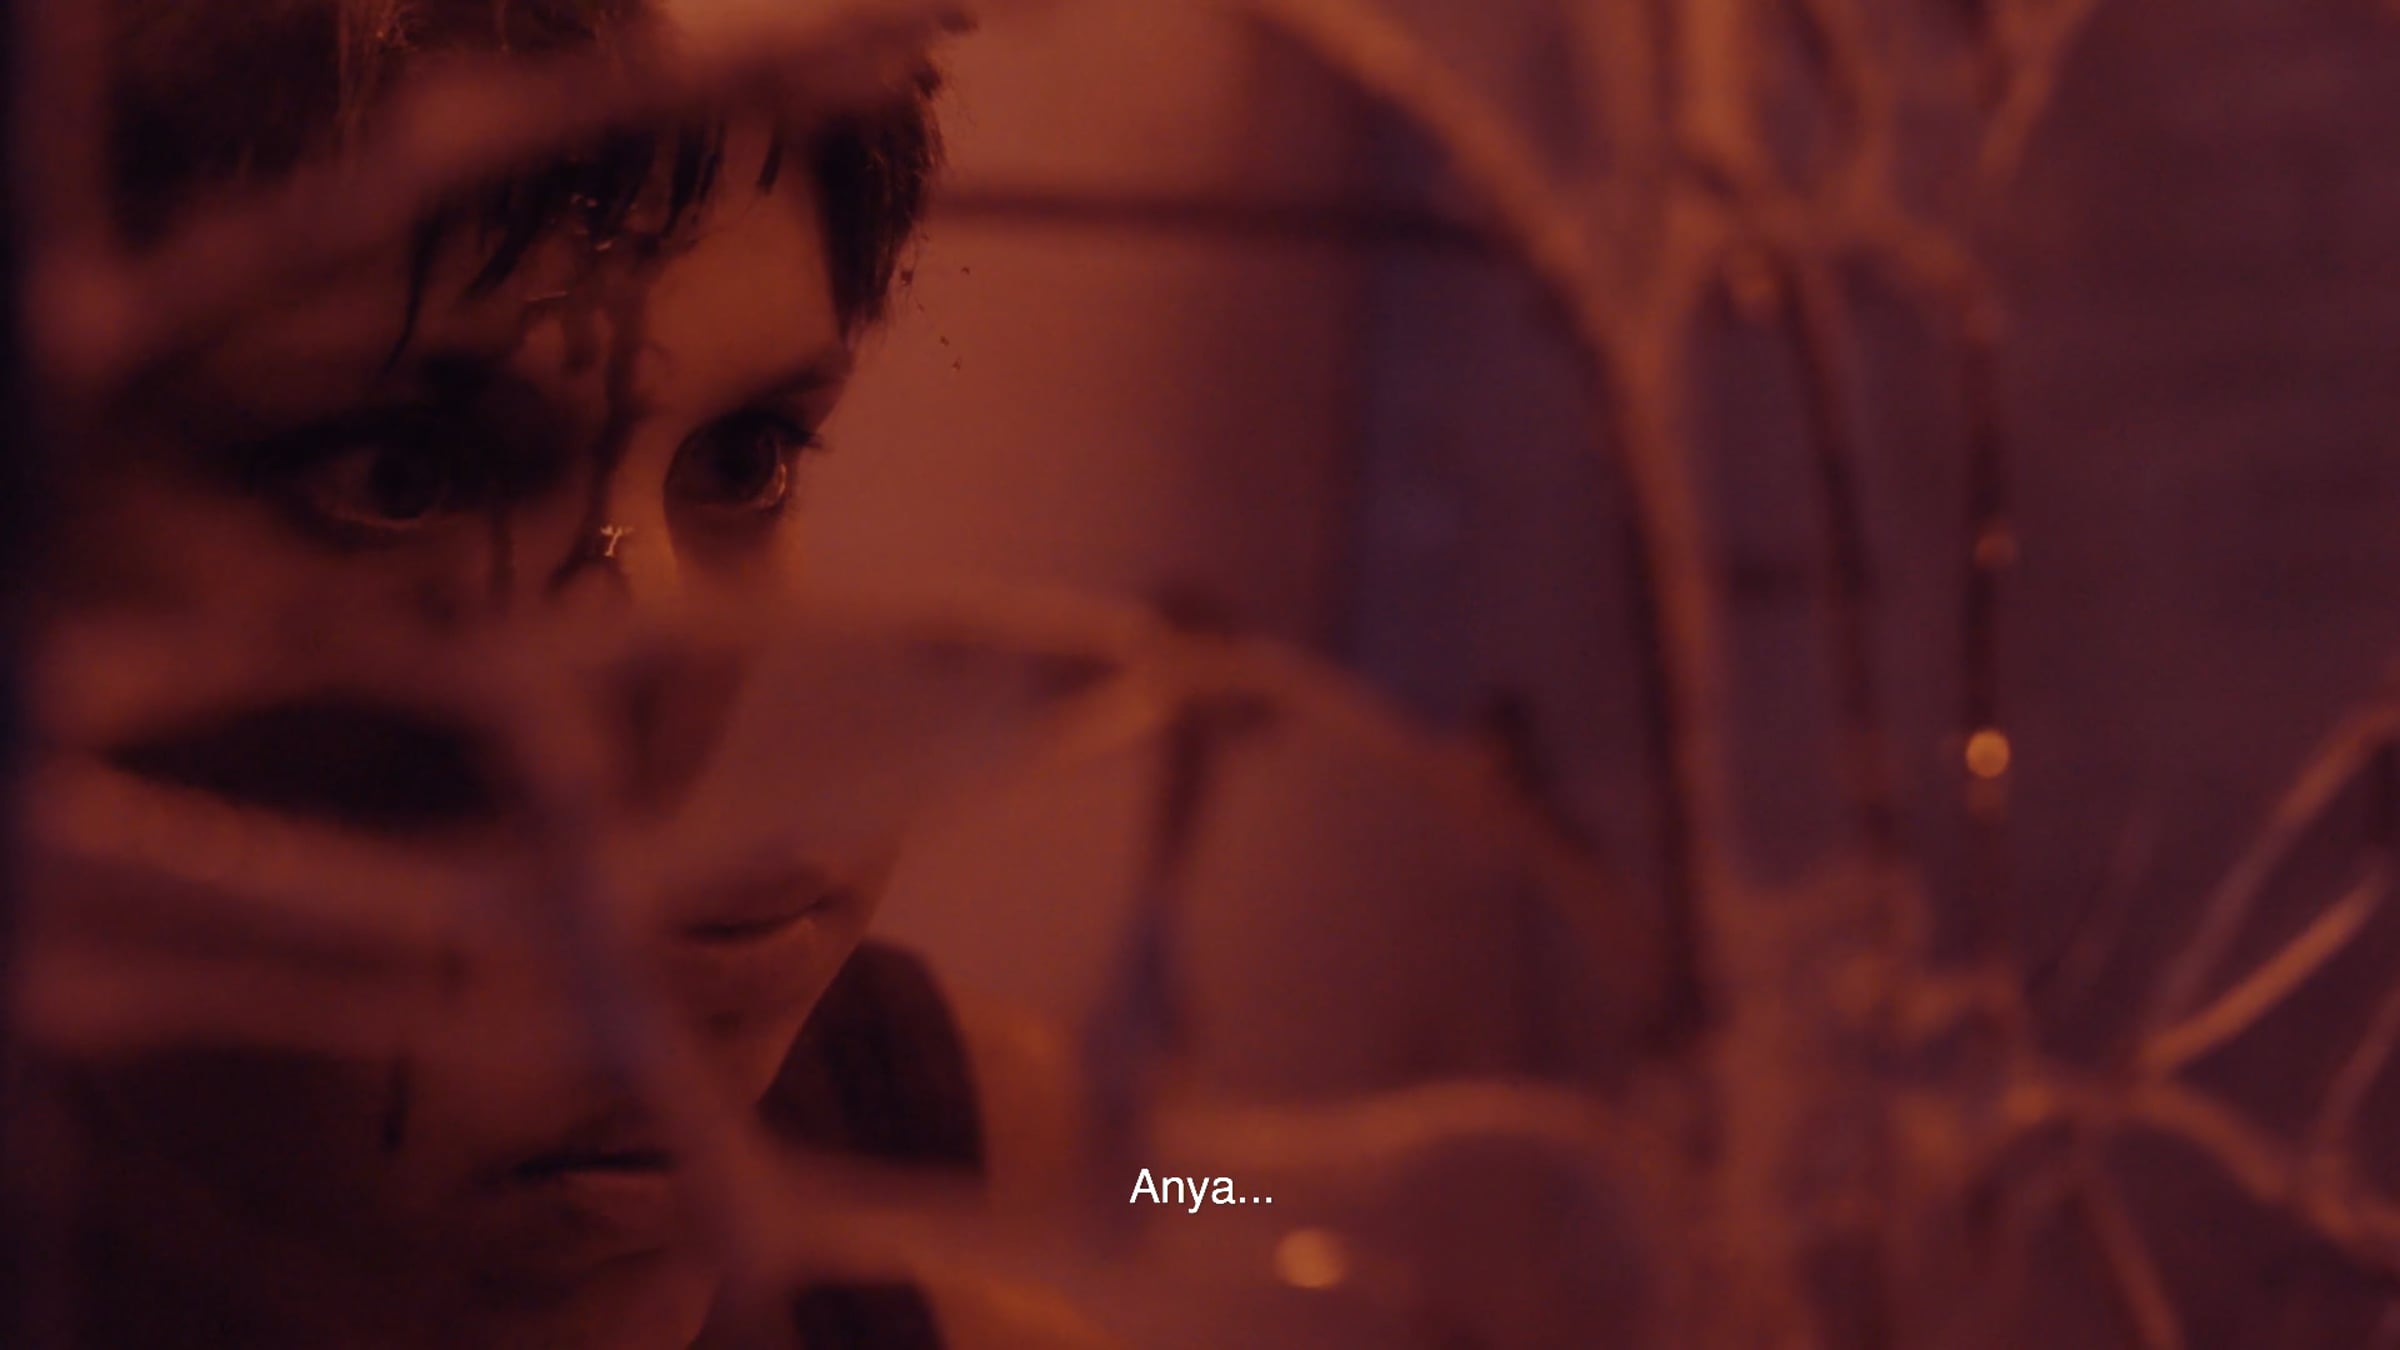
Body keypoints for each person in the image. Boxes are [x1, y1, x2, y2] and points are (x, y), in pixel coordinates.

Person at [25, 2, 1091, 1346]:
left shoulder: (952, 1126)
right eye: (404, 478)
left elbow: (1216, 1196)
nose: (700, 756)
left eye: (745, 459)